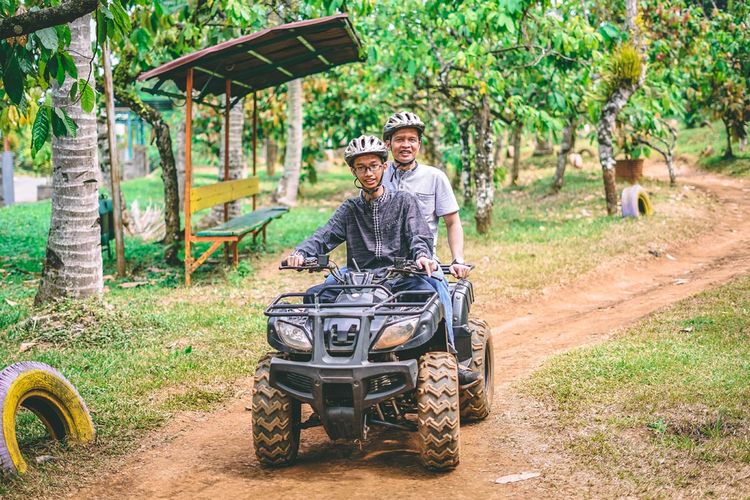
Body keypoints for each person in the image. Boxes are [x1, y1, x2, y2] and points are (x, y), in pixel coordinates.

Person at [382, 112, 479, 384]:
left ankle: (451, 358)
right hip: (382, 266)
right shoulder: (376, 174)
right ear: (388, 143)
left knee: (440, 293)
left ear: (419, 144)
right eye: (399, 139)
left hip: (423, 263)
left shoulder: (434, 177)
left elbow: (452, 222)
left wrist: (457, 258)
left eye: (412, 139)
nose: (406, 145)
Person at [285, 135, 437, 301]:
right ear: (353, 171)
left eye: (374, 166)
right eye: (361, 168)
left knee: (427, 296)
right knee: (313, 296)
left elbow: (418, 235)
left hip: (398, 279)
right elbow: (324, 236)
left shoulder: (404, 201)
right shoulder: (351, 208)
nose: (368, 173)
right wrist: (301, 253)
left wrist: (422, 255)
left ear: (384, 167)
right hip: (357, 281)